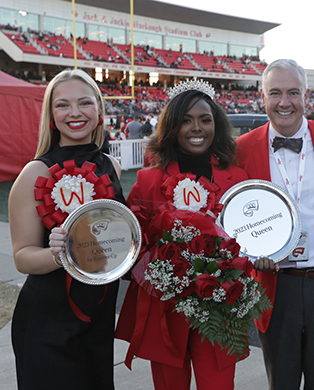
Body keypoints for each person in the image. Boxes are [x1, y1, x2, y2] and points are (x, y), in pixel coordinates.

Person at [115, 78, 249, 390]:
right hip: (165, 310)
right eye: (186, 120)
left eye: (205, 119)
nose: (196, 128)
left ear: (216, 123)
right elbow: (132, 241)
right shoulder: (149, 180)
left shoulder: (237, 177)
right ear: (172, 126)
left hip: (218, 307)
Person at [236, 59, 314, 389]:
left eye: (292, 93)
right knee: (281, 382)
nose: (284, 102)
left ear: (306, 96)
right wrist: (249, 253)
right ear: (262, 97)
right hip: (274, 285)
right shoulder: (241, 150)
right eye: (275, 93)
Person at [9, 69, 125, 390]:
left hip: (97, 322)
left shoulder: (110, 165)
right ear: (51, 116)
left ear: (99, 112)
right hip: (48, 324)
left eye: (85, 103)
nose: (75, 112)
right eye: (62, 105)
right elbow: (22, 257)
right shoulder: (35, 172)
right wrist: (60, 254)